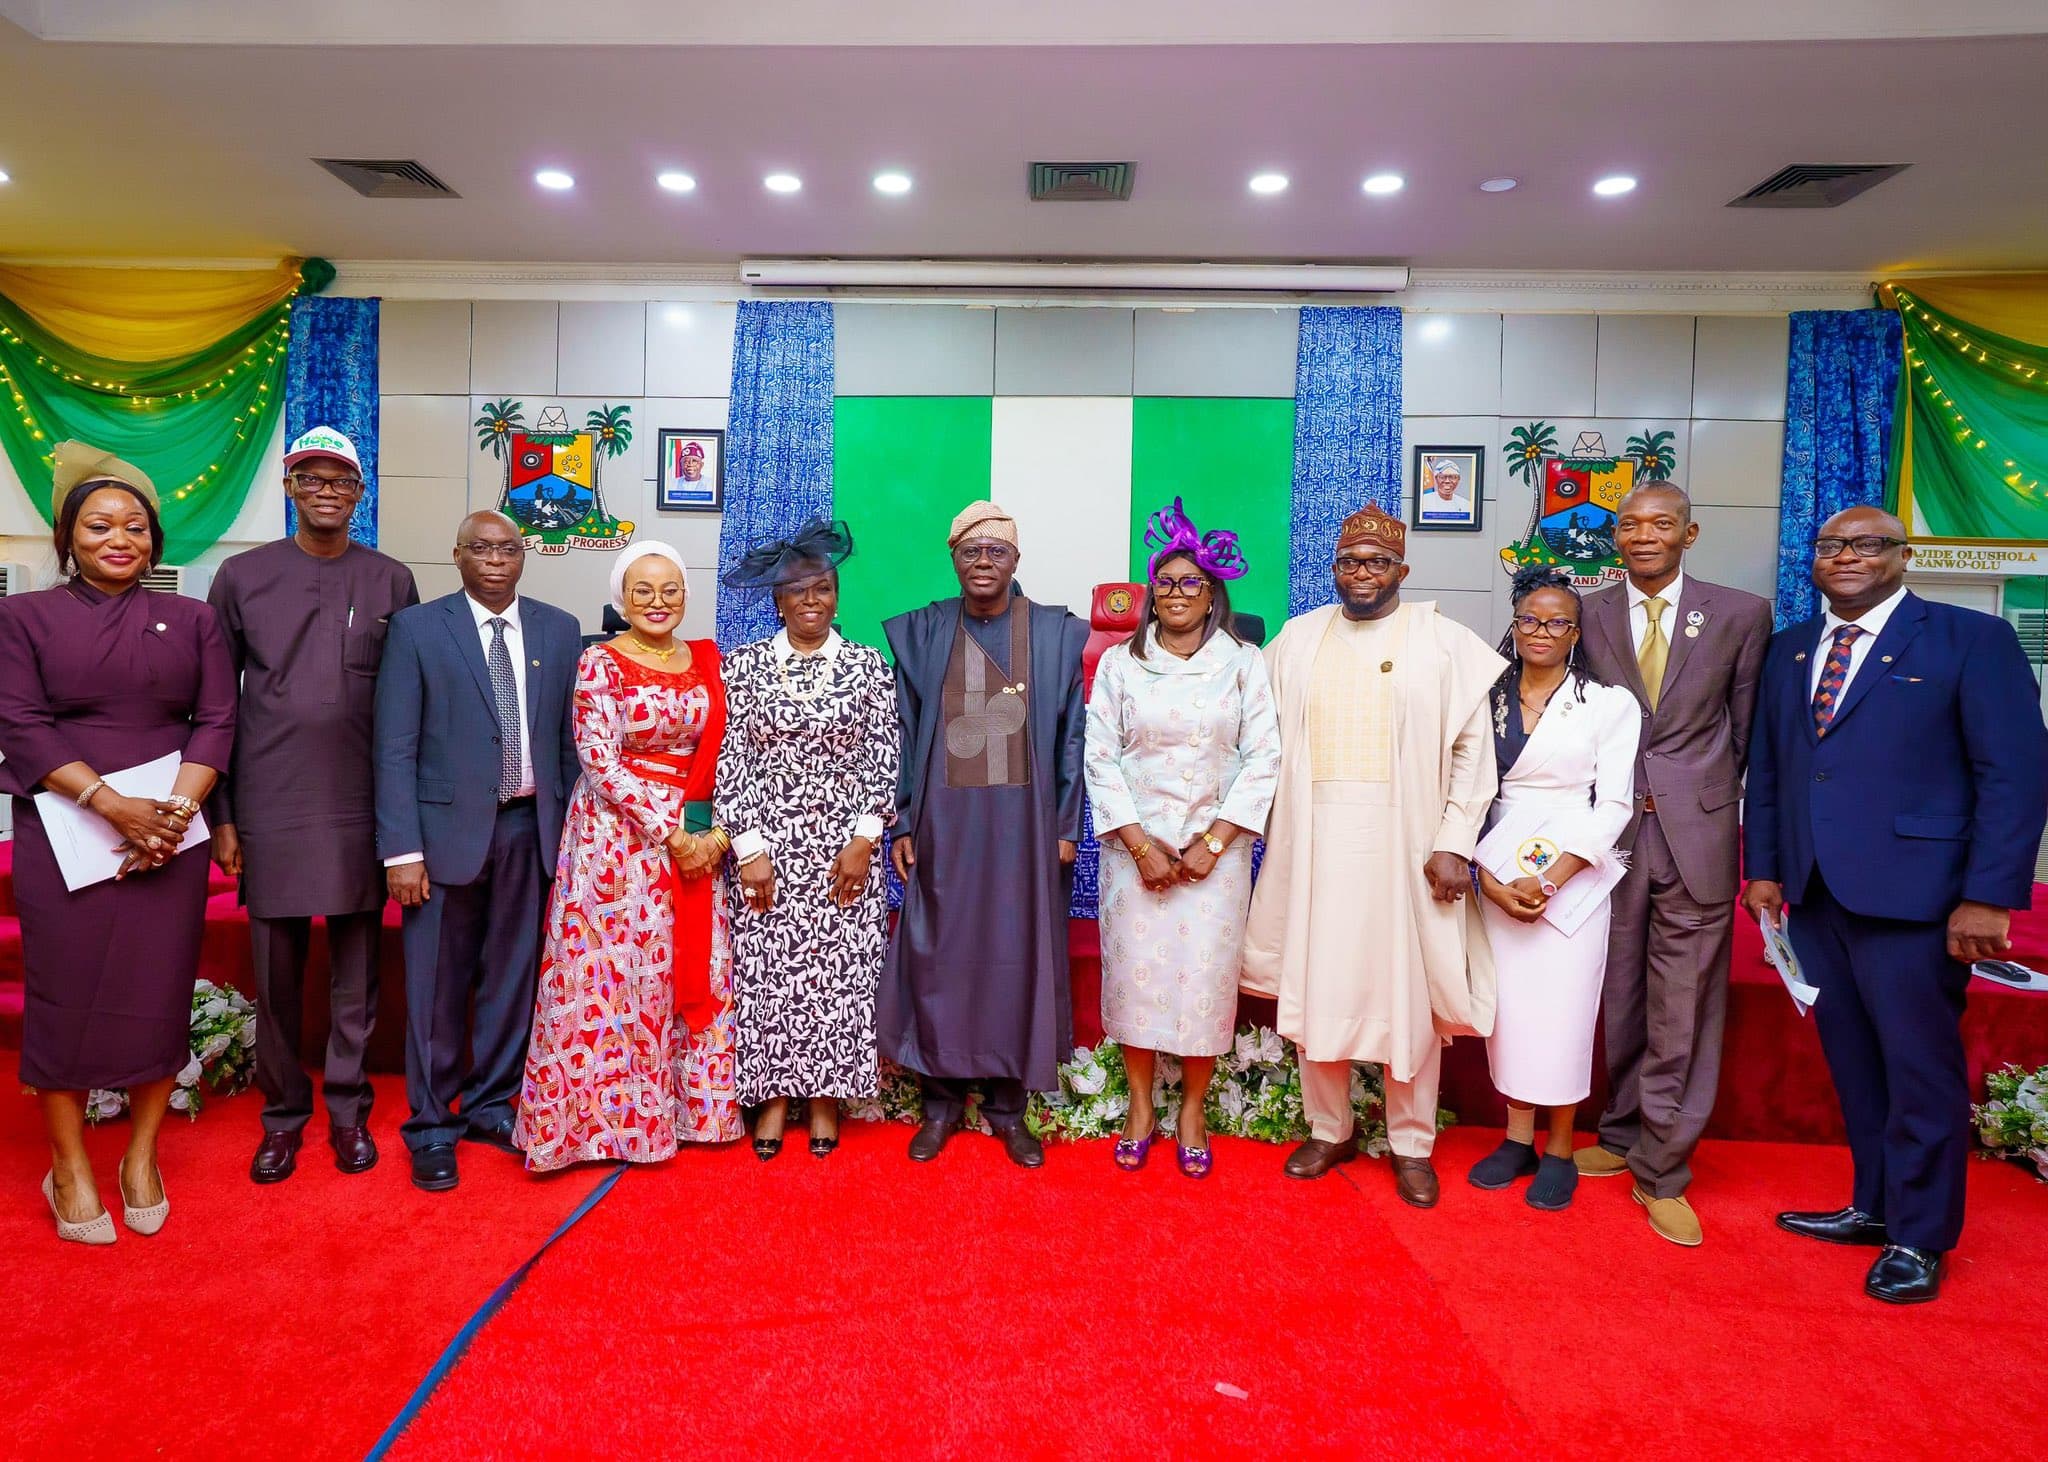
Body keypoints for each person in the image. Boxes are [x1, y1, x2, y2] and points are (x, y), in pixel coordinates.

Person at [1743, 506, 2047, 1305]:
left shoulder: (1969, 641)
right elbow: (1773, 771)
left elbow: (2013, 777)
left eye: (1867, 544)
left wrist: (1987, 896)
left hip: (1919, 899)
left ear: (1902, 555)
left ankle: (1921, 1235)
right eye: (1831, 544)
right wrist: (1766, 869)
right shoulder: (1792, 650)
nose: (1846, 556)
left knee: (1919, 1071)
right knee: (1855, 1064)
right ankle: (1874, 1206)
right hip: (1814, 894)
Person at [0, 442, 236, 1244]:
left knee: (157, 992)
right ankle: (68, 1164)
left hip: (172, 834)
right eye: (99, 525)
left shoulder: (197, 620)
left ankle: (140, 1156)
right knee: (64, 999)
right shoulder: (21, 617)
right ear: (68, 537)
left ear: (155, 540)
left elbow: (217, 720)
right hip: (64, 832)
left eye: (136, 526)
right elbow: (19, 723)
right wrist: (110, 805)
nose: (120, 538)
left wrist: (166, 816)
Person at [1241, 503, 1503, 1208]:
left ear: (1402, 570)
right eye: (1350, 561)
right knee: (1319, 984)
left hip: (1408, 849)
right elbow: (1256, 736)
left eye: (1377, 561)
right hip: (1315, 842)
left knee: (1406, 997)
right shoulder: (1298, 639)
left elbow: (1474, 754)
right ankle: (1331, 1129)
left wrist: (1454, 841)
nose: (1362, 572)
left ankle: (1412, 1143)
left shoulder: (1442, 640)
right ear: (1334, 569)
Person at [208, 427, 419, 1184]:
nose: (326, 490)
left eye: (341, 480)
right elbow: (214, 706)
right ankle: (282, 1117)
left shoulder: (392, 579)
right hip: (270, 801)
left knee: (356, 977)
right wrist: (222, 816)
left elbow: (408, 709)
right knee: (279, 975)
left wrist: (406, 828)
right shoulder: (240, 576)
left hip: (363, 806)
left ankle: (348, 1112)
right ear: (291, 489)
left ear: (360, 494)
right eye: (311, 479)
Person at [1570, 481, 1772, 1245]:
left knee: (1681, 1004)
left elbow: (1748, 730)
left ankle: (1664, 1168)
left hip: (1697, 835)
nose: (1643, 534)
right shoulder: (1585, 612)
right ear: (1613, 537)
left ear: (1690, 534)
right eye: (1630, 524)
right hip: (1610, 835)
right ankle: (1621, 1135)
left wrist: (1707, 802)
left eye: (1661, 524)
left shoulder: (1740, 613)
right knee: (1619, 991)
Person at [514, 542, 743, 1169]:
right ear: (621, 598)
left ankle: (692, 1115)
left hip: (696, 834)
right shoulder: (599, 662)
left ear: (686, 596)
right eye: (643, 590)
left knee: (685, 969)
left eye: (670, 589)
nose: (658, 601)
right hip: (616, 843)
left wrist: (712, 836)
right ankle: (595, 1127)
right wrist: (673, 834)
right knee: (610, 979)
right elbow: (598, 757)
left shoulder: (706, 661)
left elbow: (729, 752)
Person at [877, 500, 1089, 1168]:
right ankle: (938, 1106)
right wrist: (904, 820)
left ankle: (1007, 1110)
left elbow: (1073, 735)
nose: (983, 563)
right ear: (953, 559)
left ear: (1016, 560)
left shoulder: (1054, 633)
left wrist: (1064, 822)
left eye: (996, 551)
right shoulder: (926, 631)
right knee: (940, 955)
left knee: (1015, 956)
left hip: (1025, 830)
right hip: (945, 823)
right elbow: (905, 730)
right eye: (970, 551)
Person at [373, 510, 581, 1191]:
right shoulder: (418, 629)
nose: (495, 559)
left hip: (529, 831)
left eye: (508, 548)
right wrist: (400, 849)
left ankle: (492, 1104)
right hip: (440, 840)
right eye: (481, 548)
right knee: (435, 986)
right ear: (456, 554)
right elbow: (394, 746)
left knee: (510, 977)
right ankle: (432, 1125)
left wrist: (571, 839)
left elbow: (564, 746)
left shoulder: (559, 628)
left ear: (525, 557)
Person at [1084, 499, 1281, 1177]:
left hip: (1213, 860)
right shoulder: (1120, 665)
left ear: (1213, 594)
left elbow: (1264, 758)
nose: (1175, 593)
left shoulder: (1245, 663)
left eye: (1190, 583)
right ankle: (1142, 1106)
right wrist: (1141, 845)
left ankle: (1192, 1108)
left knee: (1202, 982)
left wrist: (1216, 842)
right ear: (1149, 594)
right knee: (1137, 984)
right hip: (1133, 855)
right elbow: (1099, 756)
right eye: (1164, 583)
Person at [717, 521, 899, 1160]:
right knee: (767, 976)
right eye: (797, 592)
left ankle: (825, 1100)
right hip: (769, 846)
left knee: (840, 976)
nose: (811, 601)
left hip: (847, 848)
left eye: (822, 589)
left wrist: (864, 838)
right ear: (778, 602)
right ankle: (770, 1100)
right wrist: (749, 848)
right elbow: (731, 759)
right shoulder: (743, 669)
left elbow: (883, 753)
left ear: (837, 596)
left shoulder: (868, 665)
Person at [1467, 567, 1638, 1210]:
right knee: (1509, 1012)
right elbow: (1467, 791)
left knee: (1563, 1014)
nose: (1542, 631)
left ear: (1576, 631)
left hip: (1572, 871)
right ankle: (1516, 1140)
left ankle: (1561, 1146)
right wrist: (1490, 875)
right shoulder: (1485, 696)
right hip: (1497, 859)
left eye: (1557, 621)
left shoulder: (1608, 703)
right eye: (1530, 620)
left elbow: (1615, 804)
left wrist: (1553, 875)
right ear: (1514, 625)